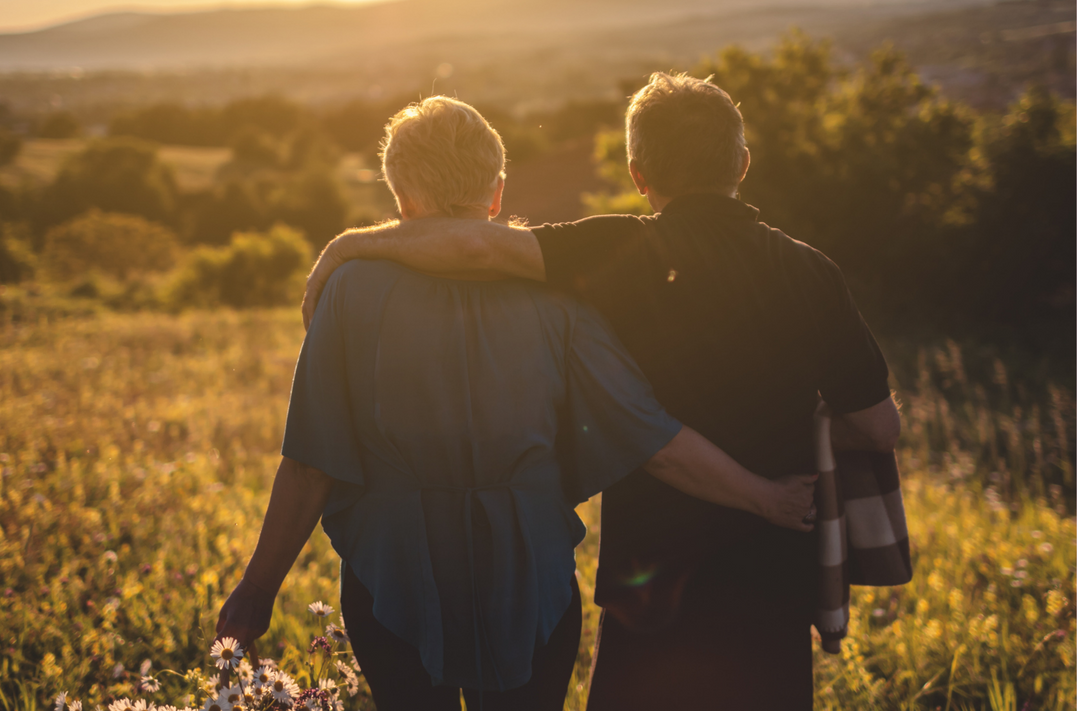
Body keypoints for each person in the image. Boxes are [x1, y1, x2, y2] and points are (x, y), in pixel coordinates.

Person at [300, 75, 901, 710]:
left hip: (650, 581)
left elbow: (473, 242)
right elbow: (880, 428)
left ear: (638, 174)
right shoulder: (811, 272)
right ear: (743, 165)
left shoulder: (621, 248)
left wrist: (345, 247)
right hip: (772, 570)